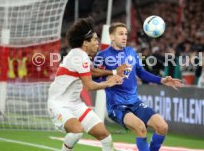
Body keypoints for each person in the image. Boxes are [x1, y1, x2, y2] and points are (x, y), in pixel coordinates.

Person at [94, 22, 183, 151]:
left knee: (162, 126)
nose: (124, 37)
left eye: (125, 34)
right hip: (117, 105)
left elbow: (141, 72)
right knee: (140, 127)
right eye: (120, 34)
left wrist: (162, 80)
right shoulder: (102, 56)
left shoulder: (131, 52)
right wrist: (107, 78)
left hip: (134, 102)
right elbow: (93, 77)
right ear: (112, 37)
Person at [47, 17, 123, 151]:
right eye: (94, 40)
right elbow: (89, 86)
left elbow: (91, 71)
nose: (97, 43)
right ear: (85, 43)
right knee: (77, 130)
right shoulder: (79, 56)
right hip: (58, 104)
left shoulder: (80, 55)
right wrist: (108, 83)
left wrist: (114, 71)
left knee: (105, 136)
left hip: (75, 104)